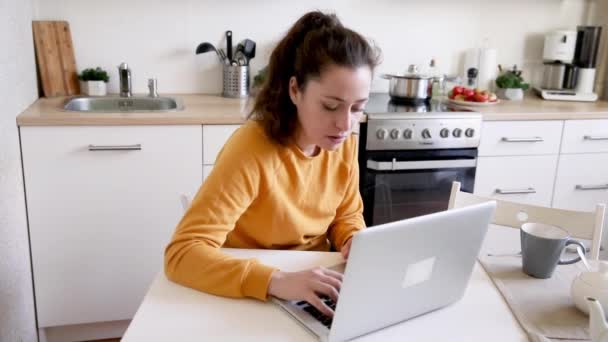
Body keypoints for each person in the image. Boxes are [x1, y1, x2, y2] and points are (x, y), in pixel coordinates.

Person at [164, 11, 380, 318]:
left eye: (358, 108)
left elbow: (346, 214)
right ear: (295, 90)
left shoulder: (343, 142)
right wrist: (275, 281)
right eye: (330, 106)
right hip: (256, 290)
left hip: (316, 283)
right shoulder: (252, 148)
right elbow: (181, 255)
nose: (345, 124)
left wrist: (352, 239)